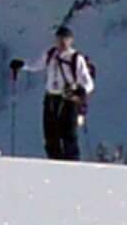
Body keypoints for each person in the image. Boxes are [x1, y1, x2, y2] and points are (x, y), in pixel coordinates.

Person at [10, 23, 96, 160]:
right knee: (50, 135)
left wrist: (81, 90)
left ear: (71, 41)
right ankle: (55, 163)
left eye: (65, 39)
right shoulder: (50, 54)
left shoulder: (76, 58)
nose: (62, 42)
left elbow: (88, 82)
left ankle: (72, 164)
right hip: (51, 99)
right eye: (59, 39)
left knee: (69, 135)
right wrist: (23, 65)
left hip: (69, 100)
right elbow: (37, 64)